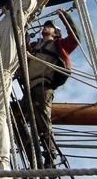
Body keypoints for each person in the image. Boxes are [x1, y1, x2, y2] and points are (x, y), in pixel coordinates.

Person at [21, 9, 80, 166]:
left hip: (43, 86)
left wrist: (65, 17)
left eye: (50, 26)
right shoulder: (34, 46)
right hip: (29, 89)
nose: (46, 27)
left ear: (56, 33)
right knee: (16, 118)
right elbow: (20, 47)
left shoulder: (58, 44)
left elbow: (75, 38)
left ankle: (50, 154)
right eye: (46, 25)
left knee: (42, 120)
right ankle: (31, 153)